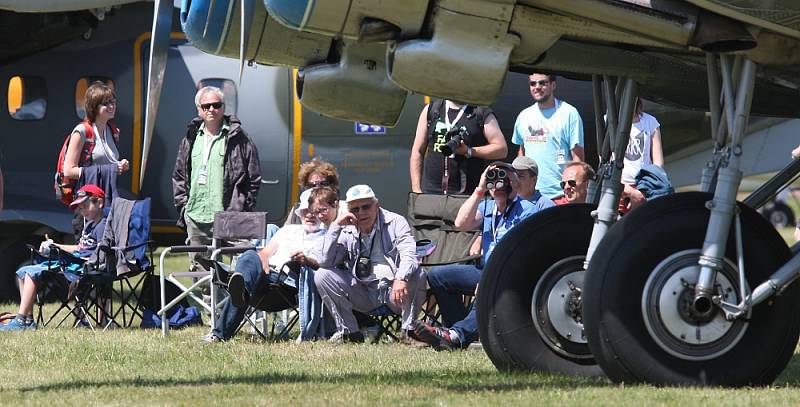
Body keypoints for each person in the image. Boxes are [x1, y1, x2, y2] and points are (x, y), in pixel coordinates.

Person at [412, 162, 540, 350]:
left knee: (490, 285)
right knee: (437, 276)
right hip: (485, 269)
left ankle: (457, 335)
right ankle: (455, 333)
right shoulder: (487, 207)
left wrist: (491, 277)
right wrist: (480, 189)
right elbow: (460, 223)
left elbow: (525, 253)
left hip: (513, 273)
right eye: (493, 180)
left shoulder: (528, 210)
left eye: (504, 181)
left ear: (515, 184)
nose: (498, 186)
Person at [202, 190, 324, 342]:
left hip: (286, 285)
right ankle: (241, 288)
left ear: (322, 213)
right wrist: (263, 261)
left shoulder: (325, 237)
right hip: (264, 276)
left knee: (244, 279)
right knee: (250, 254)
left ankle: (220, 331)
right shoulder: (288, 230)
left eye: (315, 211)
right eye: (306, 210)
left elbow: (323, 267)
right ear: (300, 213)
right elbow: (265, 253)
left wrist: (305, 260)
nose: (310, 215)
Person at [313, 185, 427, 343]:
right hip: (363, 292)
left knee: (417, 273)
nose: (361, 213)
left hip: (395, 293)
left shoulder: (395, 222)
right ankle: (349, 333)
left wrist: (401, 278)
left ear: (377, 205)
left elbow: (410, 254)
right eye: (355, 209)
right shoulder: (345, 227)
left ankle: (409, 331)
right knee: (322, 275)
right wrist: (336, 227)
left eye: (366, 206)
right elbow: (325, 261)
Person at [172, 86, 262, 274]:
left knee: (243, 266)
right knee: (204, 276)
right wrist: (184, 208)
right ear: (199, 110)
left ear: (223, 107)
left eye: (216, 105)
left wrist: (243, 205)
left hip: (232, 215)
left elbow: (254, 177)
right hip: (196, 216)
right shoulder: (190, 138)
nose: (211, 109)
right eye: (206, 106)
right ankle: (210, 304)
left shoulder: (240, 138)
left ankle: (236, 304)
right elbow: (179, 175)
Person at [1, 185, 107, 331]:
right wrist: (55, 245)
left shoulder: (102, 226)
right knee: (22, 272)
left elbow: (100, 252)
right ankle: (29, 320)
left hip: (82, 266)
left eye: (85, 206)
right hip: (74, 261)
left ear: (100, 203)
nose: (81, 210)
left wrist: (78, 259)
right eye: (79, 207)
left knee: (31, 273)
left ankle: (20, 319)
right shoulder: (89, 225)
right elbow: (79, 248)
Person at [410, 99, 507, 195]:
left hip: (469, 194)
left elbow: (501, 149)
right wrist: (416, 189)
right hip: (432, 192)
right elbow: (417, 151)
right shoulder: (432, 109)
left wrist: (469, 151)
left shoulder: (480, 111)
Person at [512, 74, 584, 200]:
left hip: (559, 195)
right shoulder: (523, 116)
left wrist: (575, 195)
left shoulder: (569, 113)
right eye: (533, 84)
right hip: (528, 197)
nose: (537, 87)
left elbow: (578, 159)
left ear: (553, 85)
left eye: (542, 83)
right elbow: (522, 152)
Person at [620, 97, 664, 211]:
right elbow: (605, 160)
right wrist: (626, 189)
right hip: (619, 187)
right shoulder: (610, 121)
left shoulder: (651, 122)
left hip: (643, 187)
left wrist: (642, 191)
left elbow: (658, 164)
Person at [285, 158, 345, 225]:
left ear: (332, 185)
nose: (317, 188)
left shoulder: (344, 208)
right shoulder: (298, 209)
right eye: (312, 185)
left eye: (323, 184)